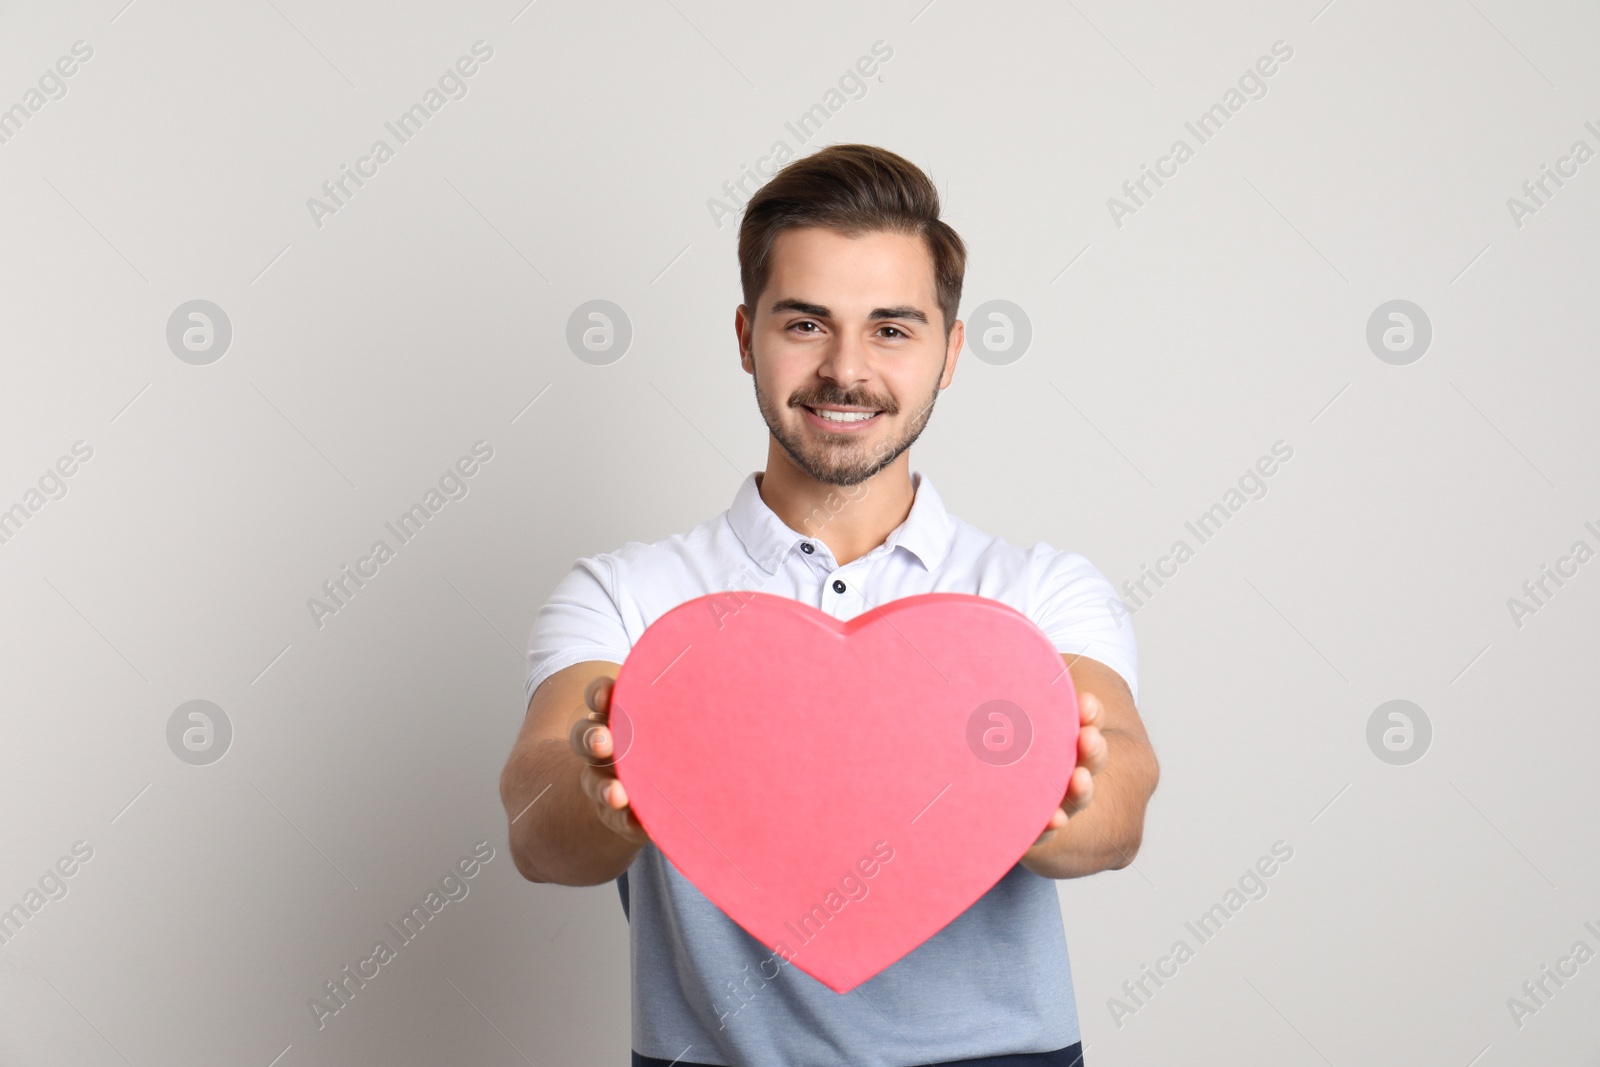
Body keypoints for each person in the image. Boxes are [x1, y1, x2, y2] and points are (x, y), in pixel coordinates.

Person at [499, 143, 1160, 1066]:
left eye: (893, 329)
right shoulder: (629, 596)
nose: (847, 369)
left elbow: (1120, 803)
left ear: (950, 351)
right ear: (745, 337)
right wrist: (606, 798)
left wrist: (1054, 798)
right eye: (806, 323)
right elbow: (537, 824)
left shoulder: (1035, 594)